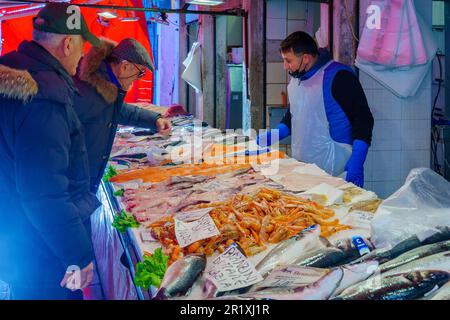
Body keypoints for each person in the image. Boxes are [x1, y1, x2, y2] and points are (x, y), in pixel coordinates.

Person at [0, 3, 101, 299]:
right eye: (81, 45)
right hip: (42, 248)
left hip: (16, 235)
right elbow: (44, 193)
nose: (83, 55)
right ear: (68, 43)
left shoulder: (12, 67)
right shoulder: (44, 96)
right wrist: (78, 255)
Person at [258, 31, 374, 187]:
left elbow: (363, 119)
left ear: (305, 58)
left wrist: (357, 159)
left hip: (336, 170)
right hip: (304, 169)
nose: (285, 67)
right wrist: (277, 133)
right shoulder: (297, 80)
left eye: (288, 61)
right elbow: (294, 114)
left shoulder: (339, 77)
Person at [73, 37, 172, 193]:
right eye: (139, 73)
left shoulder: (103, 85)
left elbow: (119, 111)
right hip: (73, 186)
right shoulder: (86, 90)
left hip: (83, 184)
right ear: (125, 67)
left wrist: (155, 120)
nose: (137, 80)